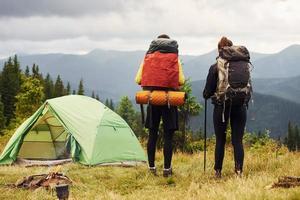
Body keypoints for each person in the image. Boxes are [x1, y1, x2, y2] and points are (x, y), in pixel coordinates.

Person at [135, 34, 185, 177]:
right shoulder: (174, 58)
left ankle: (151, 168)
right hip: (169, 100)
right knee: (168, 136)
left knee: (152, 134)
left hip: (153, 99)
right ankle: (167, 170)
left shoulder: (148, 57)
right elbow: (181, 80)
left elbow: (138, 79)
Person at [203, 36, 252, 178]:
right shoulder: (243, 64)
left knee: (220, 139)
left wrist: (206, 95)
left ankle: (218, 172)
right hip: (240, 104)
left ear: (220, 49)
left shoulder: (215, 67)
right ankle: (238, 171)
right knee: (238, 139)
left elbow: (207, 92)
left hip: (221, 106)